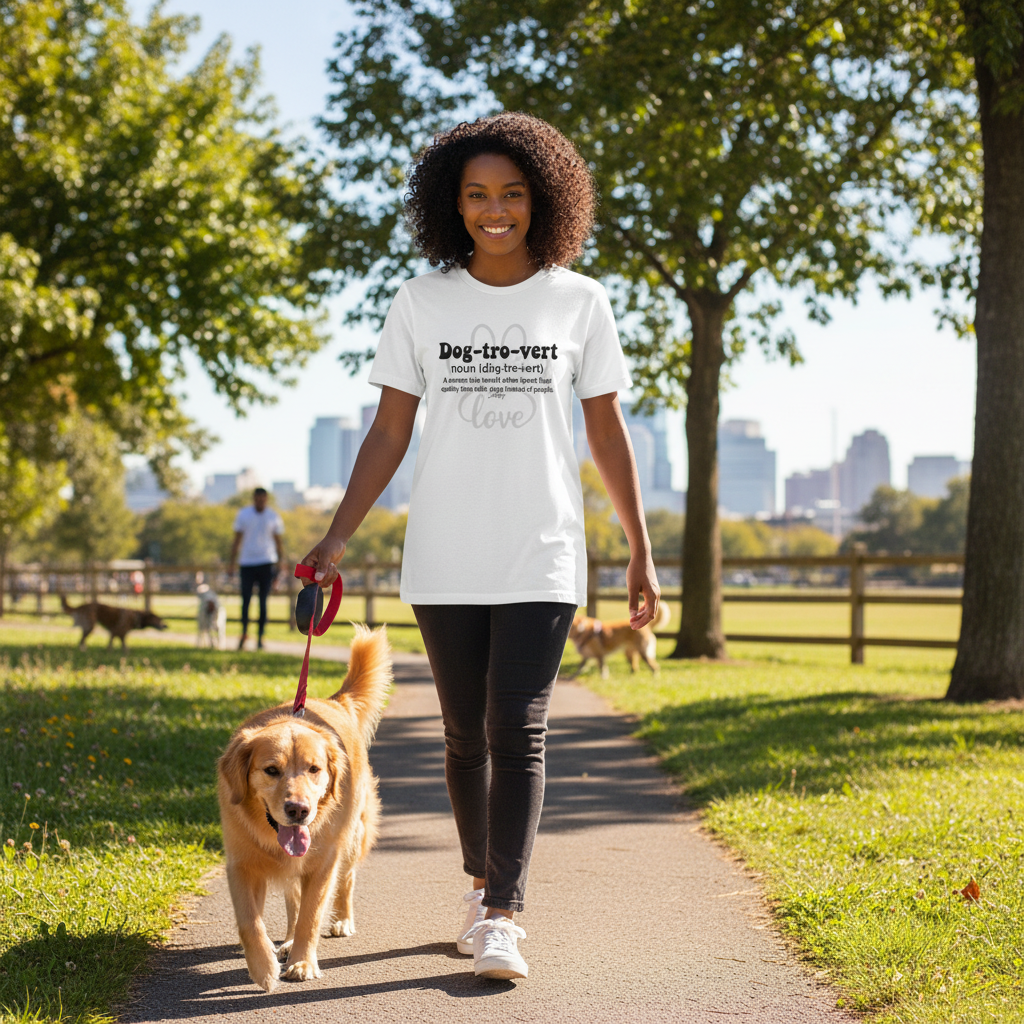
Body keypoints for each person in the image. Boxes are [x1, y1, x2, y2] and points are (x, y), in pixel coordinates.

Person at [300, 112, 659, 981]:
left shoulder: (580, 300)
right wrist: (336, 535)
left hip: (542, 549)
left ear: (544, 200)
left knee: (518, 727)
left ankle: (504, 915)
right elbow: (389, 431)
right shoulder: (421, 302)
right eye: (476, 195)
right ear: (451, 205)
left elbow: (607, 433)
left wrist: (639, 549)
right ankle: (475, 883)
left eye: (511, 194)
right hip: (446, 552)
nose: (495, 210)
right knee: (464, 735)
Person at [229, 487, 284, 650]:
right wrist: (231, 562)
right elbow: (236, 540)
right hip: (247, 562)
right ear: (253, 498)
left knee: (263, 602)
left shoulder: (273, 516)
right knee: (245, 601)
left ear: (266, 499)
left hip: (266, 562)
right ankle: (244, 634)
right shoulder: (243, 515)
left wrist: (281, 563)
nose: (260, 501)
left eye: (263, 499)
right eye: (257, 498)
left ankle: (261, 637)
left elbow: (278, 542)